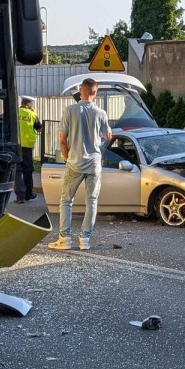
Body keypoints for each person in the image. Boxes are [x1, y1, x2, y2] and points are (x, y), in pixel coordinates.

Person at [48, 78, 112, 251]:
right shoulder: (101, 113)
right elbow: (108, 136)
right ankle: (85, 240)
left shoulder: (69, 110)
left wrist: (67, 157)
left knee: (66, 200)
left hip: (75, 163)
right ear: (95, 92)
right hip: (94, 164)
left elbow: (62, 140)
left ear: (81, 91)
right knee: (92, 201)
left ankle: (65, 238)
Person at [14, 96, 42, 203]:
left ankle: (20, 195)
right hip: (28, 146)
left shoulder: (16, 112)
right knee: (28, 169)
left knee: (17, 170)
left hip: (16, 145)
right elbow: (39, 128)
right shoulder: (32, 114)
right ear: (29, 104)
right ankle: (28, 194)